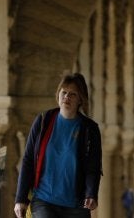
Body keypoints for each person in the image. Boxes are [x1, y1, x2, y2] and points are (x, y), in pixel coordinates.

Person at [14, 73, 103, 218]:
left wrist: (91, 193)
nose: (67, 97)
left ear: (80, 99)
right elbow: (28, 159)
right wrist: (20, 199)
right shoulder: (43, 121)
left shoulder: (90, 129)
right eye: (64, 92)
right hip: (44, 200)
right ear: (58, 94)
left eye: (73, 94)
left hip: (76, 204)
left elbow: (93, 166)